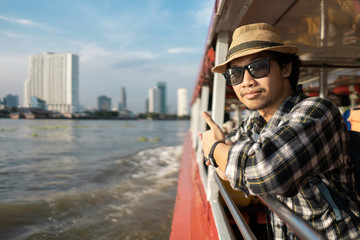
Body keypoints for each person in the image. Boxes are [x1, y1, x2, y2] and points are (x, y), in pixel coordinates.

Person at [199, 23, 360, 239]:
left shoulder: (317, 112)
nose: (246, 82)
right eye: (235, 74)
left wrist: (215, 147)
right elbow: (232, 158)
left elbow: (263, 171)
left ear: (285, 69)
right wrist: (224, 158)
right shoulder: (256, 122)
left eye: (257, 67)